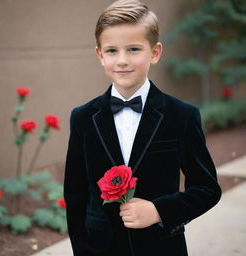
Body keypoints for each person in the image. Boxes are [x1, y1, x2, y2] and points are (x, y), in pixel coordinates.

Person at [64, 0, 222, 255]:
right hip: (100, 248)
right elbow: (75, 195)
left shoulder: (181, 115)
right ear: (100, 55)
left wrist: (159, 210)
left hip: (160, 247)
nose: (122, 60)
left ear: (155, 52)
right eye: (112, 50)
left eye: (134, 49)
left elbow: (207, 189)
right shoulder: (83, 118)